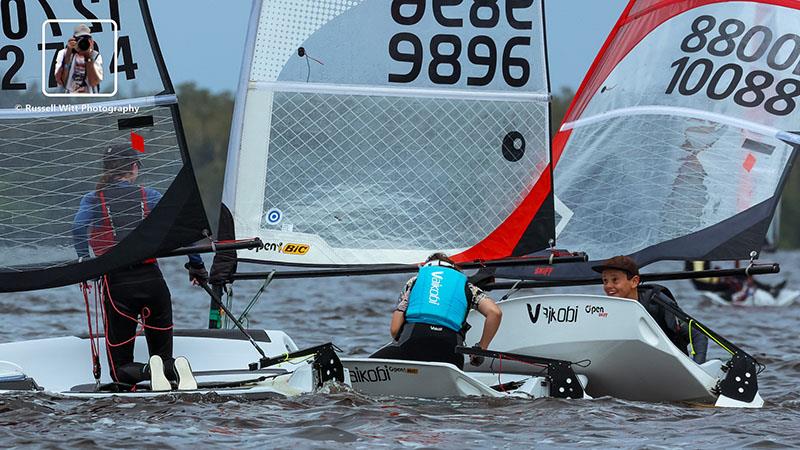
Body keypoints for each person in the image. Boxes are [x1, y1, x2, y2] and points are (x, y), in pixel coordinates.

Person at [72, 144, 209, 390]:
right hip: (154, 283)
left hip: (118, 286)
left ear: (107, 170)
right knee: (164, 356)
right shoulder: (151, 196)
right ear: (134, 168)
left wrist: (84, 260)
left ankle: (147, 370)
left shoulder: (93, 199)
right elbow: (183, 234)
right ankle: (173, 368)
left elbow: (78, 229)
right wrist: (196, 266)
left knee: (120, 369)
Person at [370, 253, 502, 369]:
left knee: (367, 367)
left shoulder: (414, 281)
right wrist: (481, 348)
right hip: (451, 350)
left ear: (427, 267)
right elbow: (495, 313)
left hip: (413, 341)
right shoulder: (467, 286)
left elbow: (395, 330)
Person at [593, 255, 708, 364]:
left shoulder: (658, 302)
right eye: (605, 281)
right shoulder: (604, 311)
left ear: (634, 281)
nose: (608, 286)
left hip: (670, 368)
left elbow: (698, 335)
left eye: (615, 280)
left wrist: (698, 367)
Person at [54, 24, 103, 94]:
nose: (83, 43)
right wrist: (68, 54)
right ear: (74, 40)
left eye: (86, 39)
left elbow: (93, 82)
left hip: (90, 101)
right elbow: (61, 80)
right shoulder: (64, 54)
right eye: (79, 39)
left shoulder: (95, 56)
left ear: (91, 41)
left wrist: (88, 57)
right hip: (68, 101)